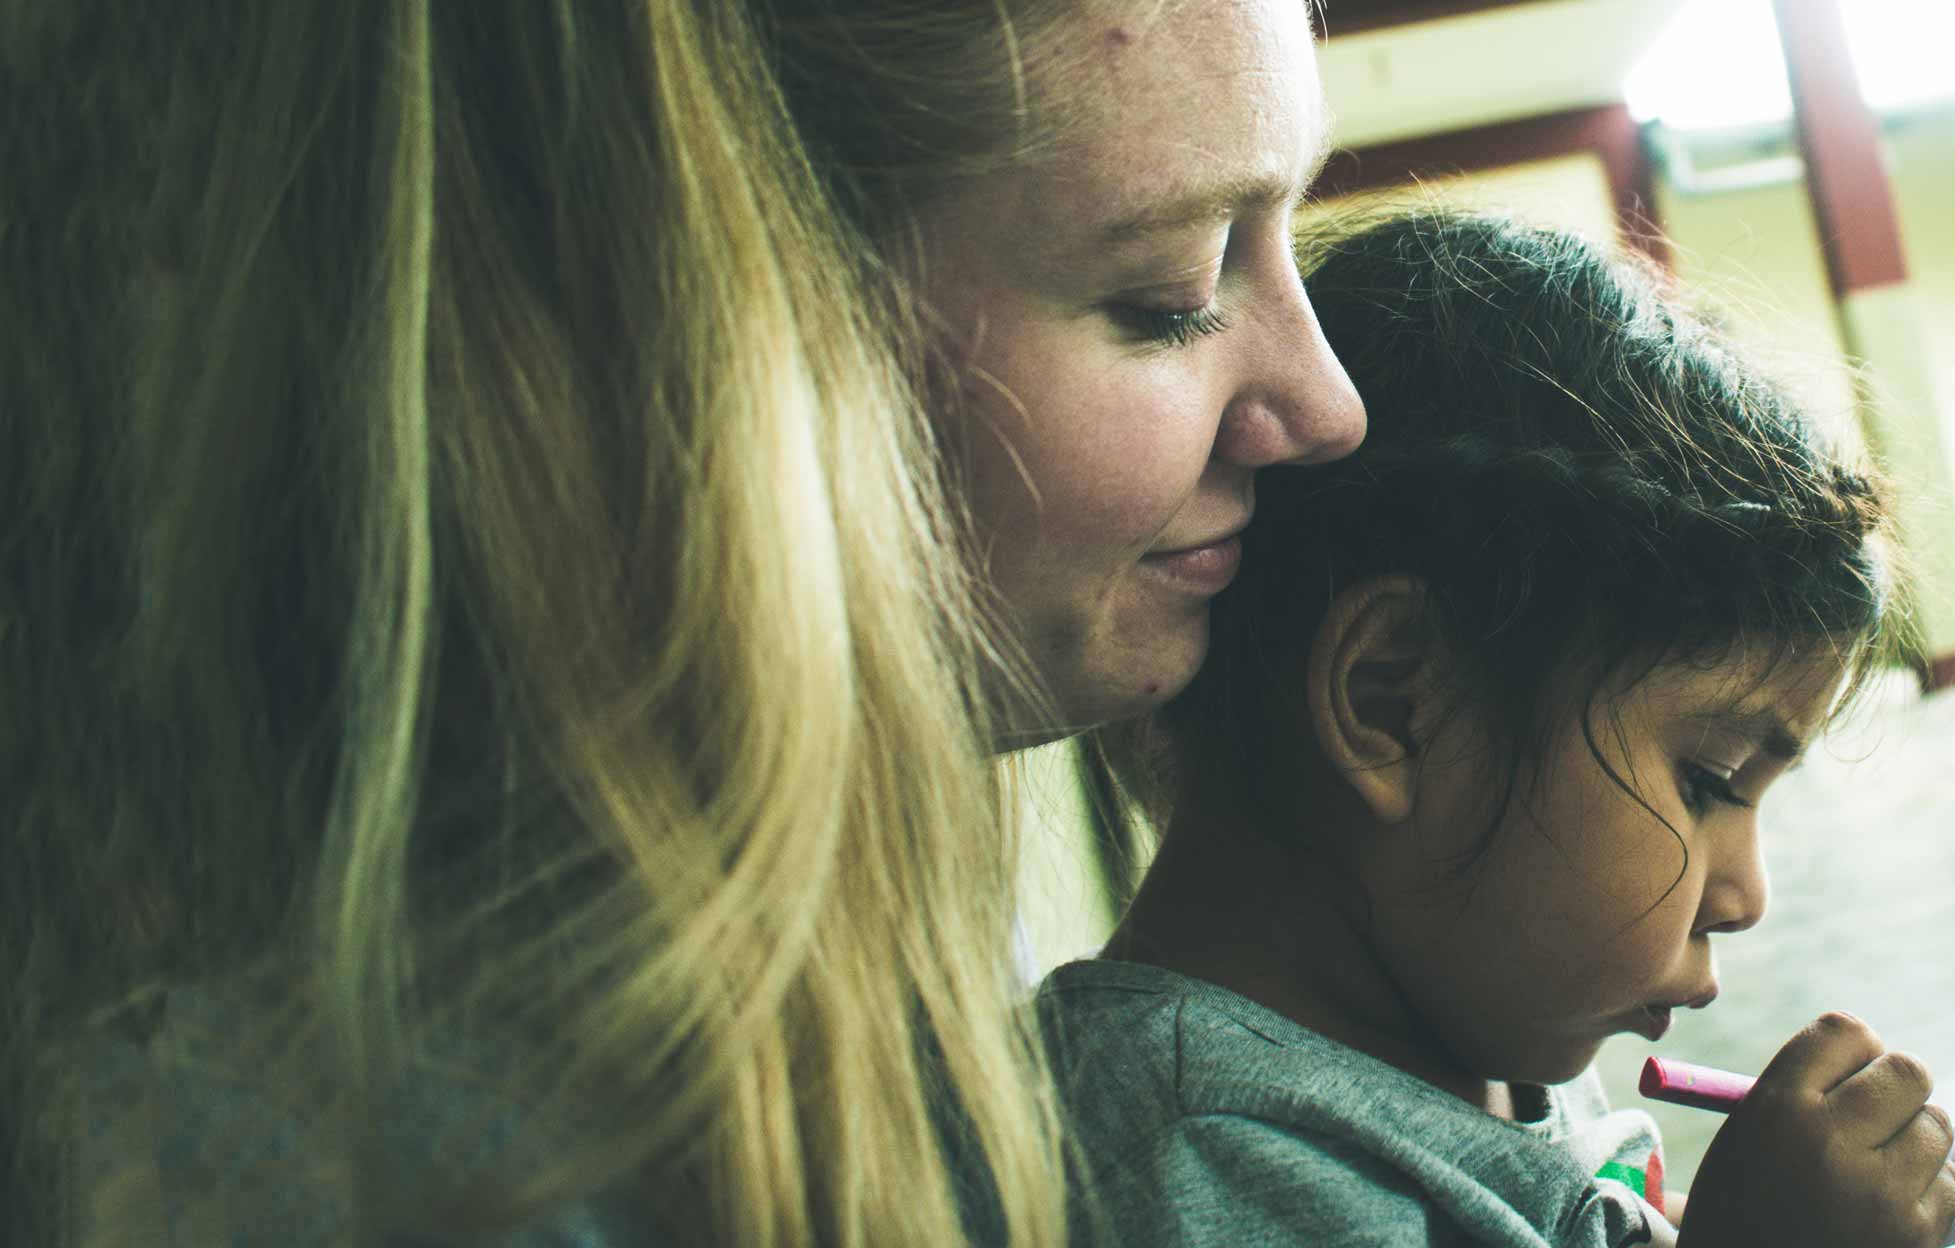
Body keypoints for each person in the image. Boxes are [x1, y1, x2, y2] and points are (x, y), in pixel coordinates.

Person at [1, 0, 1359, 1242]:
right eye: (1170, 294)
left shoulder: (867, 992)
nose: (1328, 405)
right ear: (703, 323)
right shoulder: (397, 1168)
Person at [1044, 211, 1955, 1248]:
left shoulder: (1462, 1041)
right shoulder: (1203, 1173)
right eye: (1706, 780)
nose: (1745, 896)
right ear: (1395, 702)